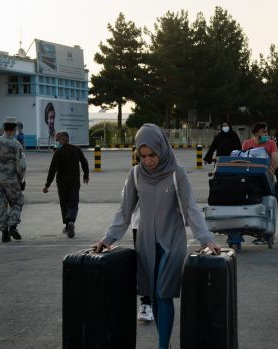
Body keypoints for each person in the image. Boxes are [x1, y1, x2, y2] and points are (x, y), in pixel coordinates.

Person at [92, 124, 220, 349]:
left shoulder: (176, 173)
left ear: (162, 149)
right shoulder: (135, 174)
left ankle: (162, 346)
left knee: (164, 293)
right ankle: (166, 343)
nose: (148, 160)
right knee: (154, 294)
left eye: (152, 155)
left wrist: (205, 238)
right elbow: (124, 211)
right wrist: (108, 238)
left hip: (172, 242)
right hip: (145, 244)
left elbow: (191, 208)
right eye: (142, 156)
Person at [42, 131, 89, 238]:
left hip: (62, 183)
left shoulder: (58, 152)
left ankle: (67, 225)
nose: (57, 141)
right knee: (73, 202)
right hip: (74, 181)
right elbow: (84, 162)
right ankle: (71, 220)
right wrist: (86, 175)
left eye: (58, 139)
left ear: (64, 139)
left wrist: (47, 185)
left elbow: (52, 169)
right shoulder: (76, 149)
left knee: (64, 203)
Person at [0, 116, 26, 242]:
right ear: (14, 128)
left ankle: (4, 232)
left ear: (4, 127)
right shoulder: (16, 144)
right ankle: (13, 225)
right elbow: (21, 165)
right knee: (17, 201)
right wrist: (21, 179)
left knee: (1, 205)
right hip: (12, 180)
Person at [131, 207, 154, 322]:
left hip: (164, 224)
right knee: (143, 263)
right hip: (140, 223)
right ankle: (146, 302)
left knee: (161, 264)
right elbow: (128, 201)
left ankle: (155, 300)